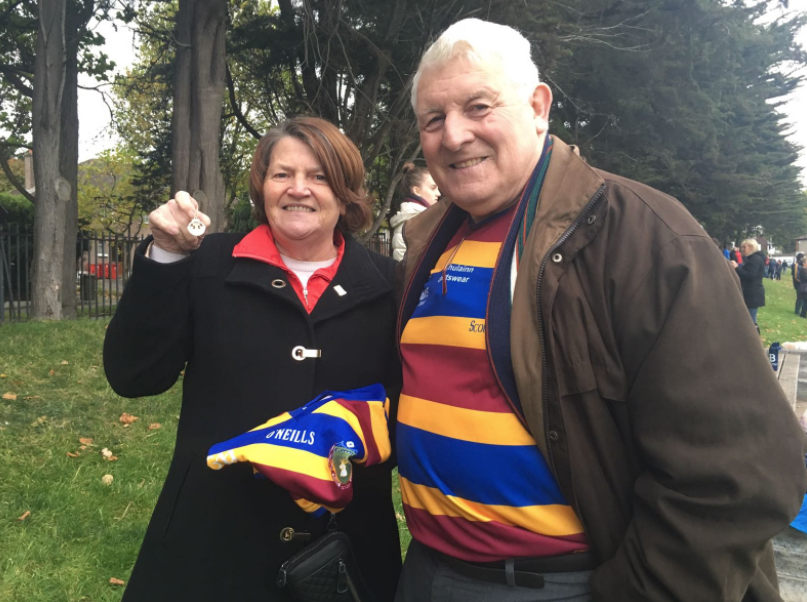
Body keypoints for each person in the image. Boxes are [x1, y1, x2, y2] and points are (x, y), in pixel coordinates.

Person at [394, 18, 807, 602]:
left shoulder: (645, 236)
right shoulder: (427, 241)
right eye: (433, 118)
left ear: (538, 107)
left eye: (478, 106)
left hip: (565, 584)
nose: (454, 134)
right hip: (429, 573)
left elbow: (739, 472)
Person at [103, 117, 402, 601]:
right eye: (282, 174)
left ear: (346, 193)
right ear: (262, 186)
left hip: (344, 552)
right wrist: (164, 258)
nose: (298, 189)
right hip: (213, 546)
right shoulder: (208, 264)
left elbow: (409, 411)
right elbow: (134, 375)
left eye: (320, 176)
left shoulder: (389, 286)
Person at [389, 163, 440, 261]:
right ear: (417, 191)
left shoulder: (410, 216)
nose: (438, 193)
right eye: (433, 188)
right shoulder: (421, 219)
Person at [730, 239, 766, 325]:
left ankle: (754, 338)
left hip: (752, 293)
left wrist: (737, 268)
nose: (742, 249)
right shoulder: (754, 258)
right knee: (750, 319)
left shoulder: (754, 259)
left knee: (750, 320)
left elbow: (750, 276)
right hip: (752, 292)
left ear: (751, 247)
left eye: (744, 247)